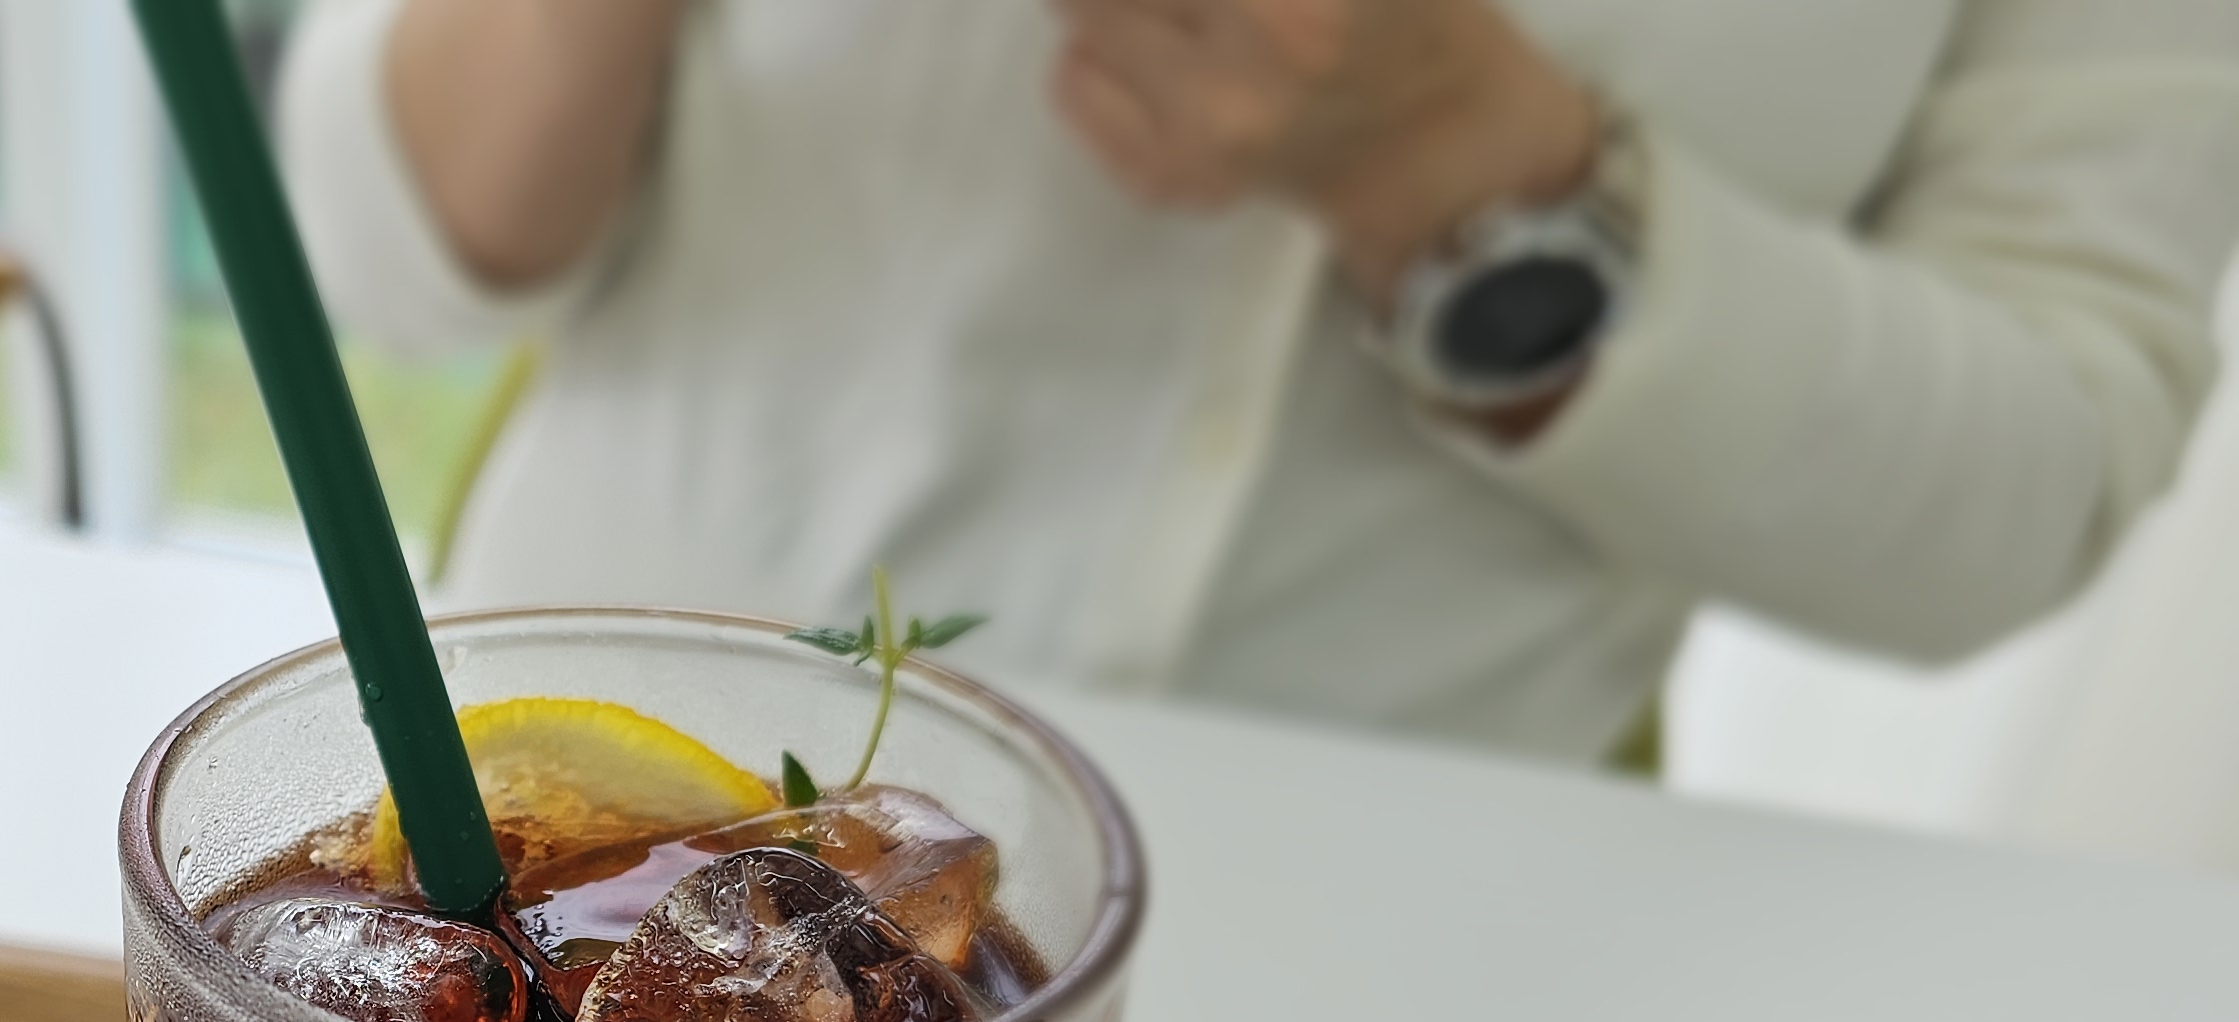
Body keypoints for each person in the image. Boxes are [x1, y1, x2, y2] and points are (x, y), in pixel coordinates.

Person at [278, 0, 2239, 763]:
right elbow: (371, 239)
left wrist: (1460, 165)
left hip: (1408, 988)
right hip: (574, 814)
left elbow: (2033, 484)